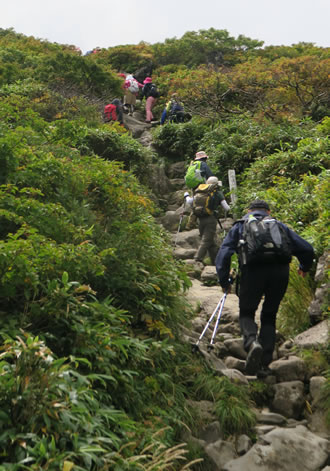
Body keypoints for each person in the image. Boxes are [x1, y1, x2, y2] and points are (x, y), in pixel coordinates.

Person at [215, 200, 315, 378]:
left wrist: (224, 281)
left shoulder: (240, 226)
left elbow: (223, 254)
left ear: (249, 211)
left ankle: (252, 343)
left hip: (252, 273)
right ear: (268, 211)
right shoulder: (278, 225)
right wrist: (304, 267)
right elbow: (307, 249)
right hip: (280, 273)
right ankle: (265, 364)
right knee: (269, 314)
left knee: (247, 312)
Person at [193, 176, 230, 265]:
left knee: (211, 241)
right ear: (217, 184)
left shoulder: (199, 191)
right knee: (206, 240)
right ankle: (198, 258)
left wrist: (186, 196)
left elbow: (190, 201)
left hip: (199, 218)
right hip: (210, 219)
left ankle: (216, 261)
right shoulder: (217, 193)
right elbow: (226, 208)